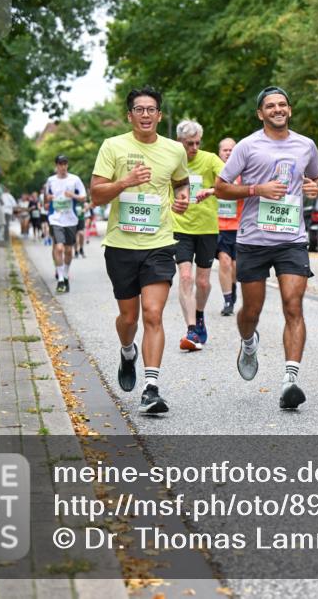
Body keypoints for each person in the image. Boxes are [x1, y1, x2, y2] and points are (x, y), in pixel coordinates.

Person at [215, 86, 318, 410]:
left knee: (293, 304)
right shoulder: (248, 147)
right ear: (260, 113)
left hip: (292, 239)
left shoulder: (306, 145)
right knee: (251, 312)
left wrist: (315, 188)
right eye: (270, 106)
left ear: (289, 110)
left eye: (282, 105)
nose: (277, 109)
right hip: (253, 240)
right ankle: (248, 342)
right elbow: (221, 187)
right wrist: (255, 188)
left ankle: (290, 380)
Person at [90, 87, 190, 415]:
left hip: (159, 244)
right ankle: (127, 350)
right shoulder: (113, 147)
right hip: (120, 245)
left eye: (151, 109)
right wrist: (125, 182)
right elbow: (97, 195)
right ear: (129, 115)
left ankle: (151, 387)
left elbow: (180, 182)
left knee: (152, 314)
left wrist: (183, 197)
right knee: (129, 317)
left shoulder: (175, 150)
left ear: (160, 115)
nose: (145, 115)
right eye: (139, 109)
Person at [171, 120, 225, 351]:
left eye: (197, 143)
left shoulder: (211, 159)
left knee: (203, 283)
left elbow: (228, 183)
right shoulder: (171, 161)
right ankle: (191, 329)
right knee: (185, 278)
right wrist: (171, 203)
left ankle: (199, 314)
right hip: (181, 228)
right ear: (179, 142)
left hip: (207, 228)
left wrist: (211, 190)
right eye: (189, 144)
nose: (193, 147)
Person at [45, 154, 87, 292]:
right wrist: (48, 198)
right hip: (55, 218)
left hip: (71, 219)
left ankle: (66, 273)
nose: (63, 166)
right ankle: (61, 280)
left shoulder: (75, 179)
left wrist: (73, 196)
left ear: (67, 165)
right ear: (56, 165)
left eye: (65, 164)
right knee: (58, 248)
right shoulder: (50, 180)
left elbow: (83, 197)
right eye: (60, 164)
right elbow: (46, 199)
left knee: (69, 250)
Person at [215, 137, 241, 316]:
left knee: (235, 265)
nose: (228, 152)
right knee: (224, 262)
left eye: (232, 149)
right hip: (218, 227)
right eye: (225, 150)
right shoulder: (214, 171)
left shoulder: (243, 172)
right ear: (219, 153)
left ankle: (233, 288)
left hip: (239, 227)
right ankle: (227, 300)